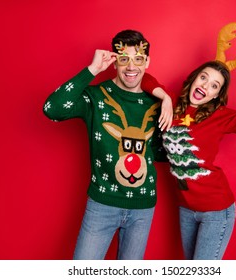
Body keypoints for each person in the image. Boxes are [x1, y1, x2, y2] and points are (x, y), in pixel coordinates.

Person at [43, 30, 172, 260]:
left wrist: (169, 102)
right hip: (102, 204)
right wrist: (92, 70)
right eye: (124, 59)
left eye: (138, 59)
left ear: (147, 61)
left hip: (142, 207)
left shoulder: (157, 103)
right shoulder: (97, 96)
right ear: (114, 62)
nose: (131, 67)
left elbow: (159, 152)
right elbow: (52, 109)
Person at [142, 56, 236, 259]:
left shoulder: (220, 116)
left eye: (214, 85)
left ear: (216, 95)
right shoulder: (171, 104)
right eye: (203, 78)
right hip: (186, 209)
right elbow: (144, 78)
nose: (205, 86)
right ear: (194, 79)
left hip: (216, 211)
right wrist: (164, 97)